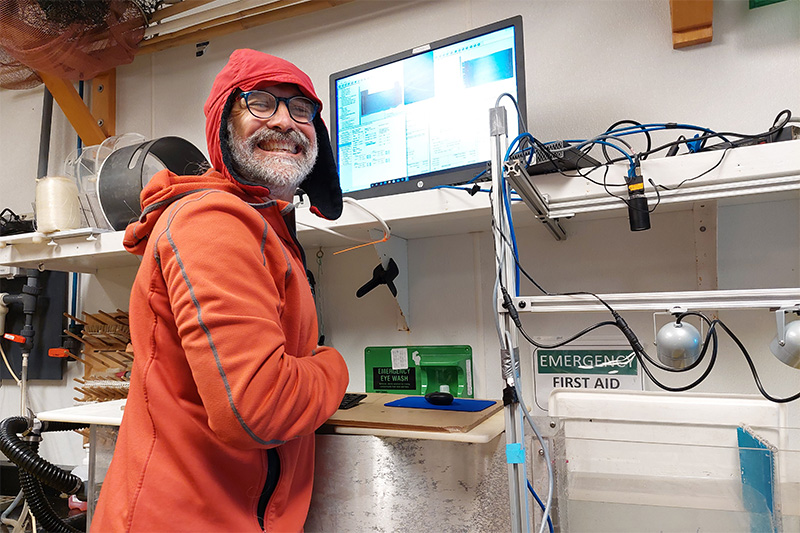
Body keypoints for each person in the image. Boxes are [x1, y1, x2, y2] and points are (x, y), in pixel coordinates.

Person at [91, 49, 350, 532]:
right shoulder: (214, 222)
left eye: (301, 110)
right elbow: (259, 408)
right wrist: (332, 365)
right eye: (261, 103)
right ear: (222, 128)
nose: (286, 122)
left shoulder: (262, 226)